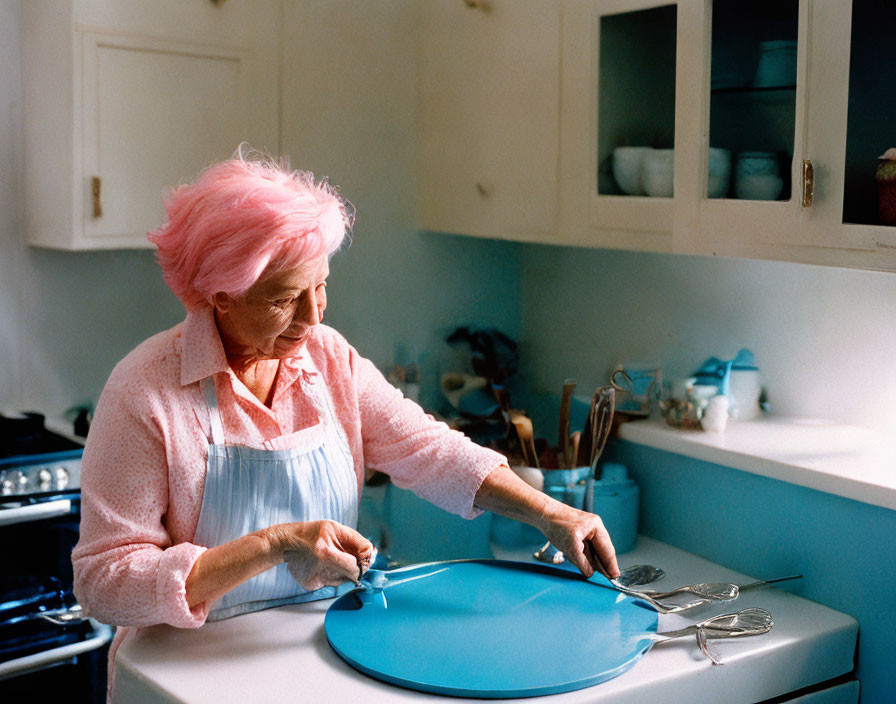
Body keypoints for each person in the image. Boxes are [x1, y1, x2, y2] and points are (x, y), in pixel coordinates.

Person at [72, 146, 619, 693]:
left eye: (322, 286)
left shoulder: (329, 359)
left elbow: (429, 449)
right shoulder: (144, 391)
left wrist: (552, 514)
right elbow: (103, 582)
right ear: (220, 295)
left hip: (320, 656)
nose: (314, 317)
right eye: (286, 298)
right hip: (184, 678)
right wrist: (273, 545)